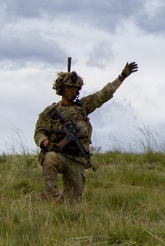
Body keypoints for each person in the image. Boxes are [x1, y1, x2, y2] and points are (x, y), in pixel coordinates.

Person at [34, 61, 138, 203]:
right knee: (50, 158)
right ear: (61, 89)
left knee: (72, 202)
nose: (72, 91)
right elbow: (39, 132)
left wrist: (122, 76)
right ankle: (51, 198)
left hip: (77, 159)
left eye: (76, 89)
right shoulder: (51, 112)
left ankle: (62, 209)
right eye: (69, 88)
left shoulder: (83, 106)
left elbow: (104, 94)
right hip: (59, 155)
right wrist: (47, 144)